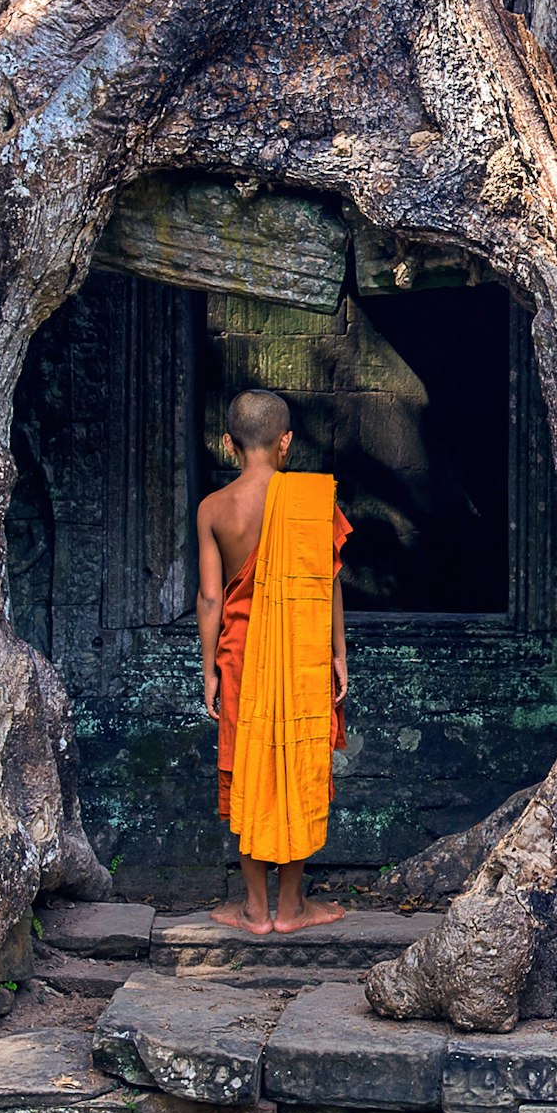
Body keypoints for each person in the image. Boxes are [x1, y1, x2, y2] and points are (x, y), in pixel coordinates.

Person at [198, 387, 351, 933]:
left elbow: (212, 598)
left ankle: (254, 910)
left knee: (248, 768)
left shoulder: (214, 509)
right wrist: (337, 652)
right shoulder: (312, 503)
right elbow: (329, 582)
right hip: (305, 652)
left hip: (240, 656)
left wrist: (209, 667)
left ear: (227, 444)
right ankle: (292, 908)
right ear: (286, 442)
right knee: (299, 765)